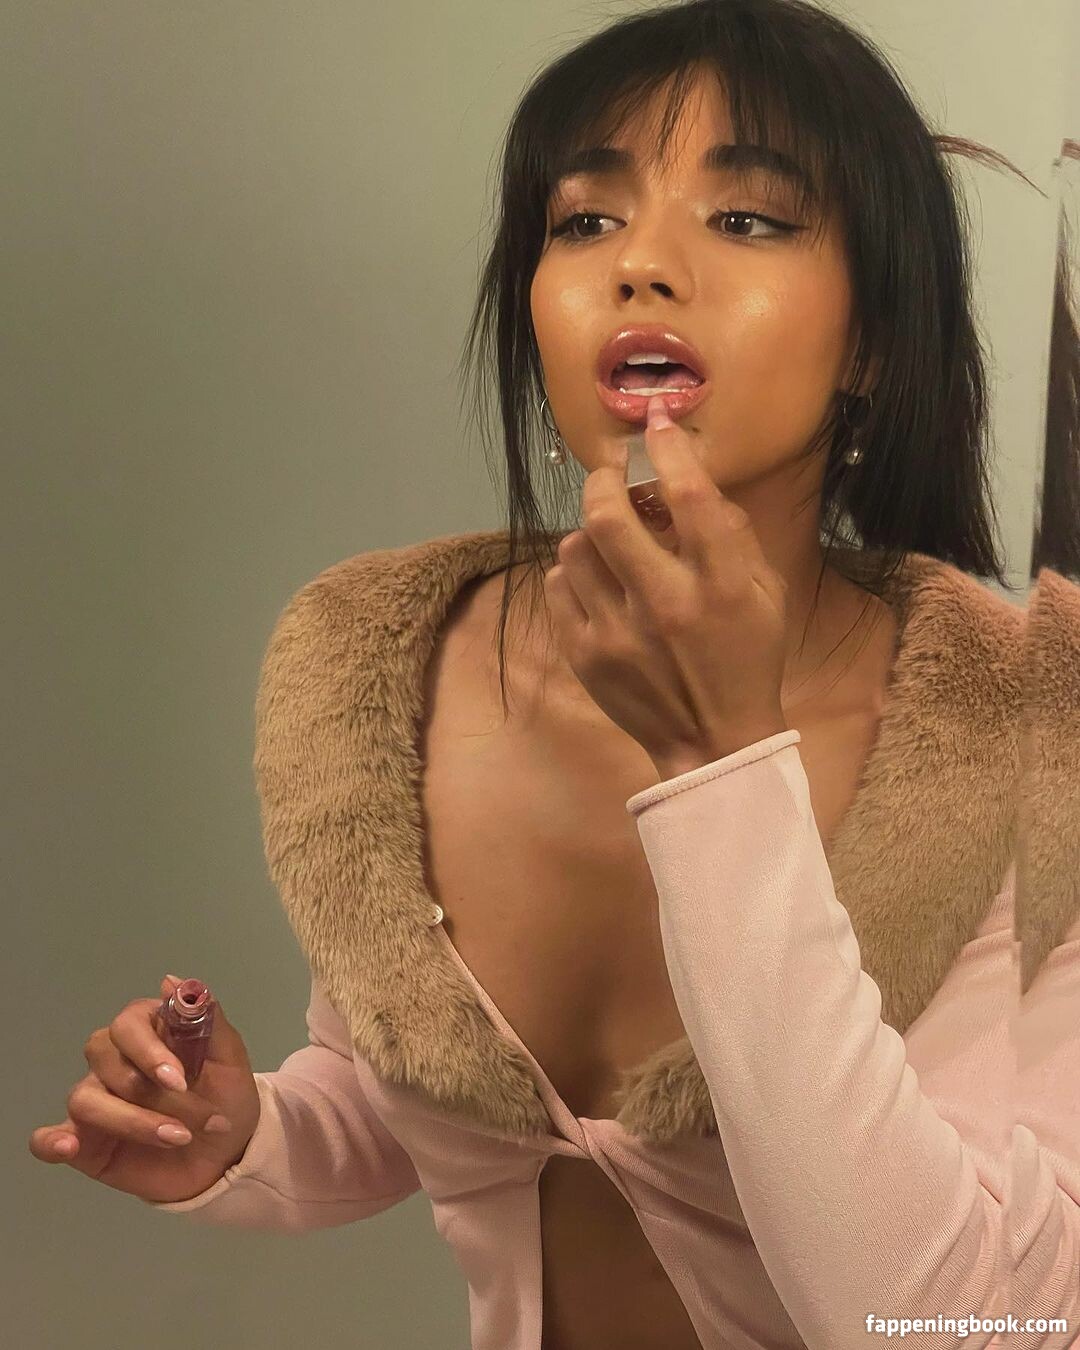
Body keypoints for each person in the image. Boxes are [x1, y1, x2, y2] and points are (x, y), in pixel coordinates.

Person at [30, 2, 1080, 1347]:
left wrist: (721, 770)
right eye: (584, 221)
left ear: (874, 334)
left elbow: (950, 1316)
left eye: (745, 218)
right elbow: (412, 1090)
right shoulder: (375, 666)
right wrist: (253, 1133)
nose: (640, 265)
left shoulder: (1026, 723)